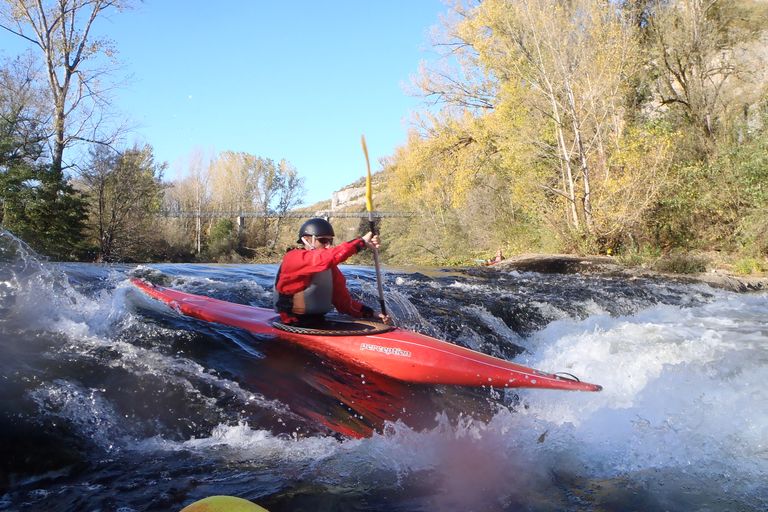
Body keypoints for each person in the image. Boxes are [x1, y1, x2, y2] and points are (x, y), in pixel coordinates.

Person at [274, 218, 390, 326]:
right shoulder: (293, 258)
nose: (328, 245)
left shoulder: (329, 268)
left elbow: (344, 304)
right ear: (307, 239)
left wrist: (372, 314)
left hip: (318, 322)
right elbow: (325, 258)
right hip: (291, 322)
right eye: (323, 240)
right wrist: (361, 242)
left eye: (330, 241)